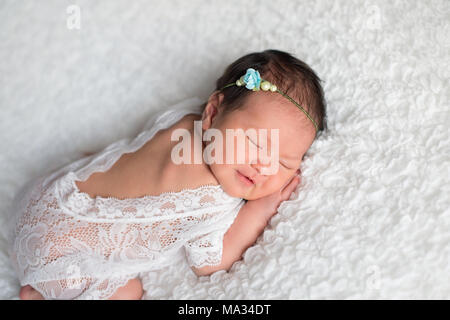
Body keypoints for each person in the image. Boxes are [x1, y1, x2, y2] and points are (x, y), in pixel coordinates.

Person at [9, 49, 327, 299]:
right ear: (214, 112)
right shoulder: (212, 202)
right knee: (128, 292)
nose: (264, 166)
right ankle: (40, 295)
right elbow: (209, 264)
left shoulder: (185, 118)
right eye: (256, 143)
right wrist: (261, 208)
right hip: (58, 260)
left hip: (46, 195)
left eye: (284, 163)